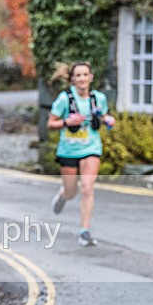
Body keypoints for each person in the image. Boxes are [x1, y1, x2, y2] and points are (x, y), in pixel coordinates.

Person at [47, 61, 116, 247]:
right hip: (68, 150)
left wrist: (108, 119)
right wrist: (67, 122)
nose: (82, 78)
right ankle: (64, 194)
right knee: (72, 192)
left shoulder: (98, 98)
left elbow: (101, 115)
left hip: (91, 148)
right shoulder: (64, 99)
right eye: (78, 75)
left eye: (85, 75)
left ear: (91, 77)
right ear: (72, 79)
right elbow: (50, 123)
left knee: (87, 187)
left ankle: (84, 231)